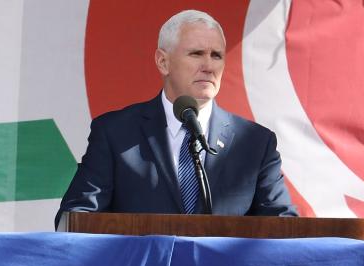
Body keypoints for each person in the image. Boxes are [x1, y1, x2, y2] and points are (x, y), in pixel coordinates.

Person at [55, 9, 297, 228]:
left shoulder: (256, 143)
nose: (208, 66)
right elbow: (77, 218)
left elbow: (284, 228)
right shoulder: (115, 132)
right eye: (196, 53)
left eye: (216, 55)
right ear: (163, 61)